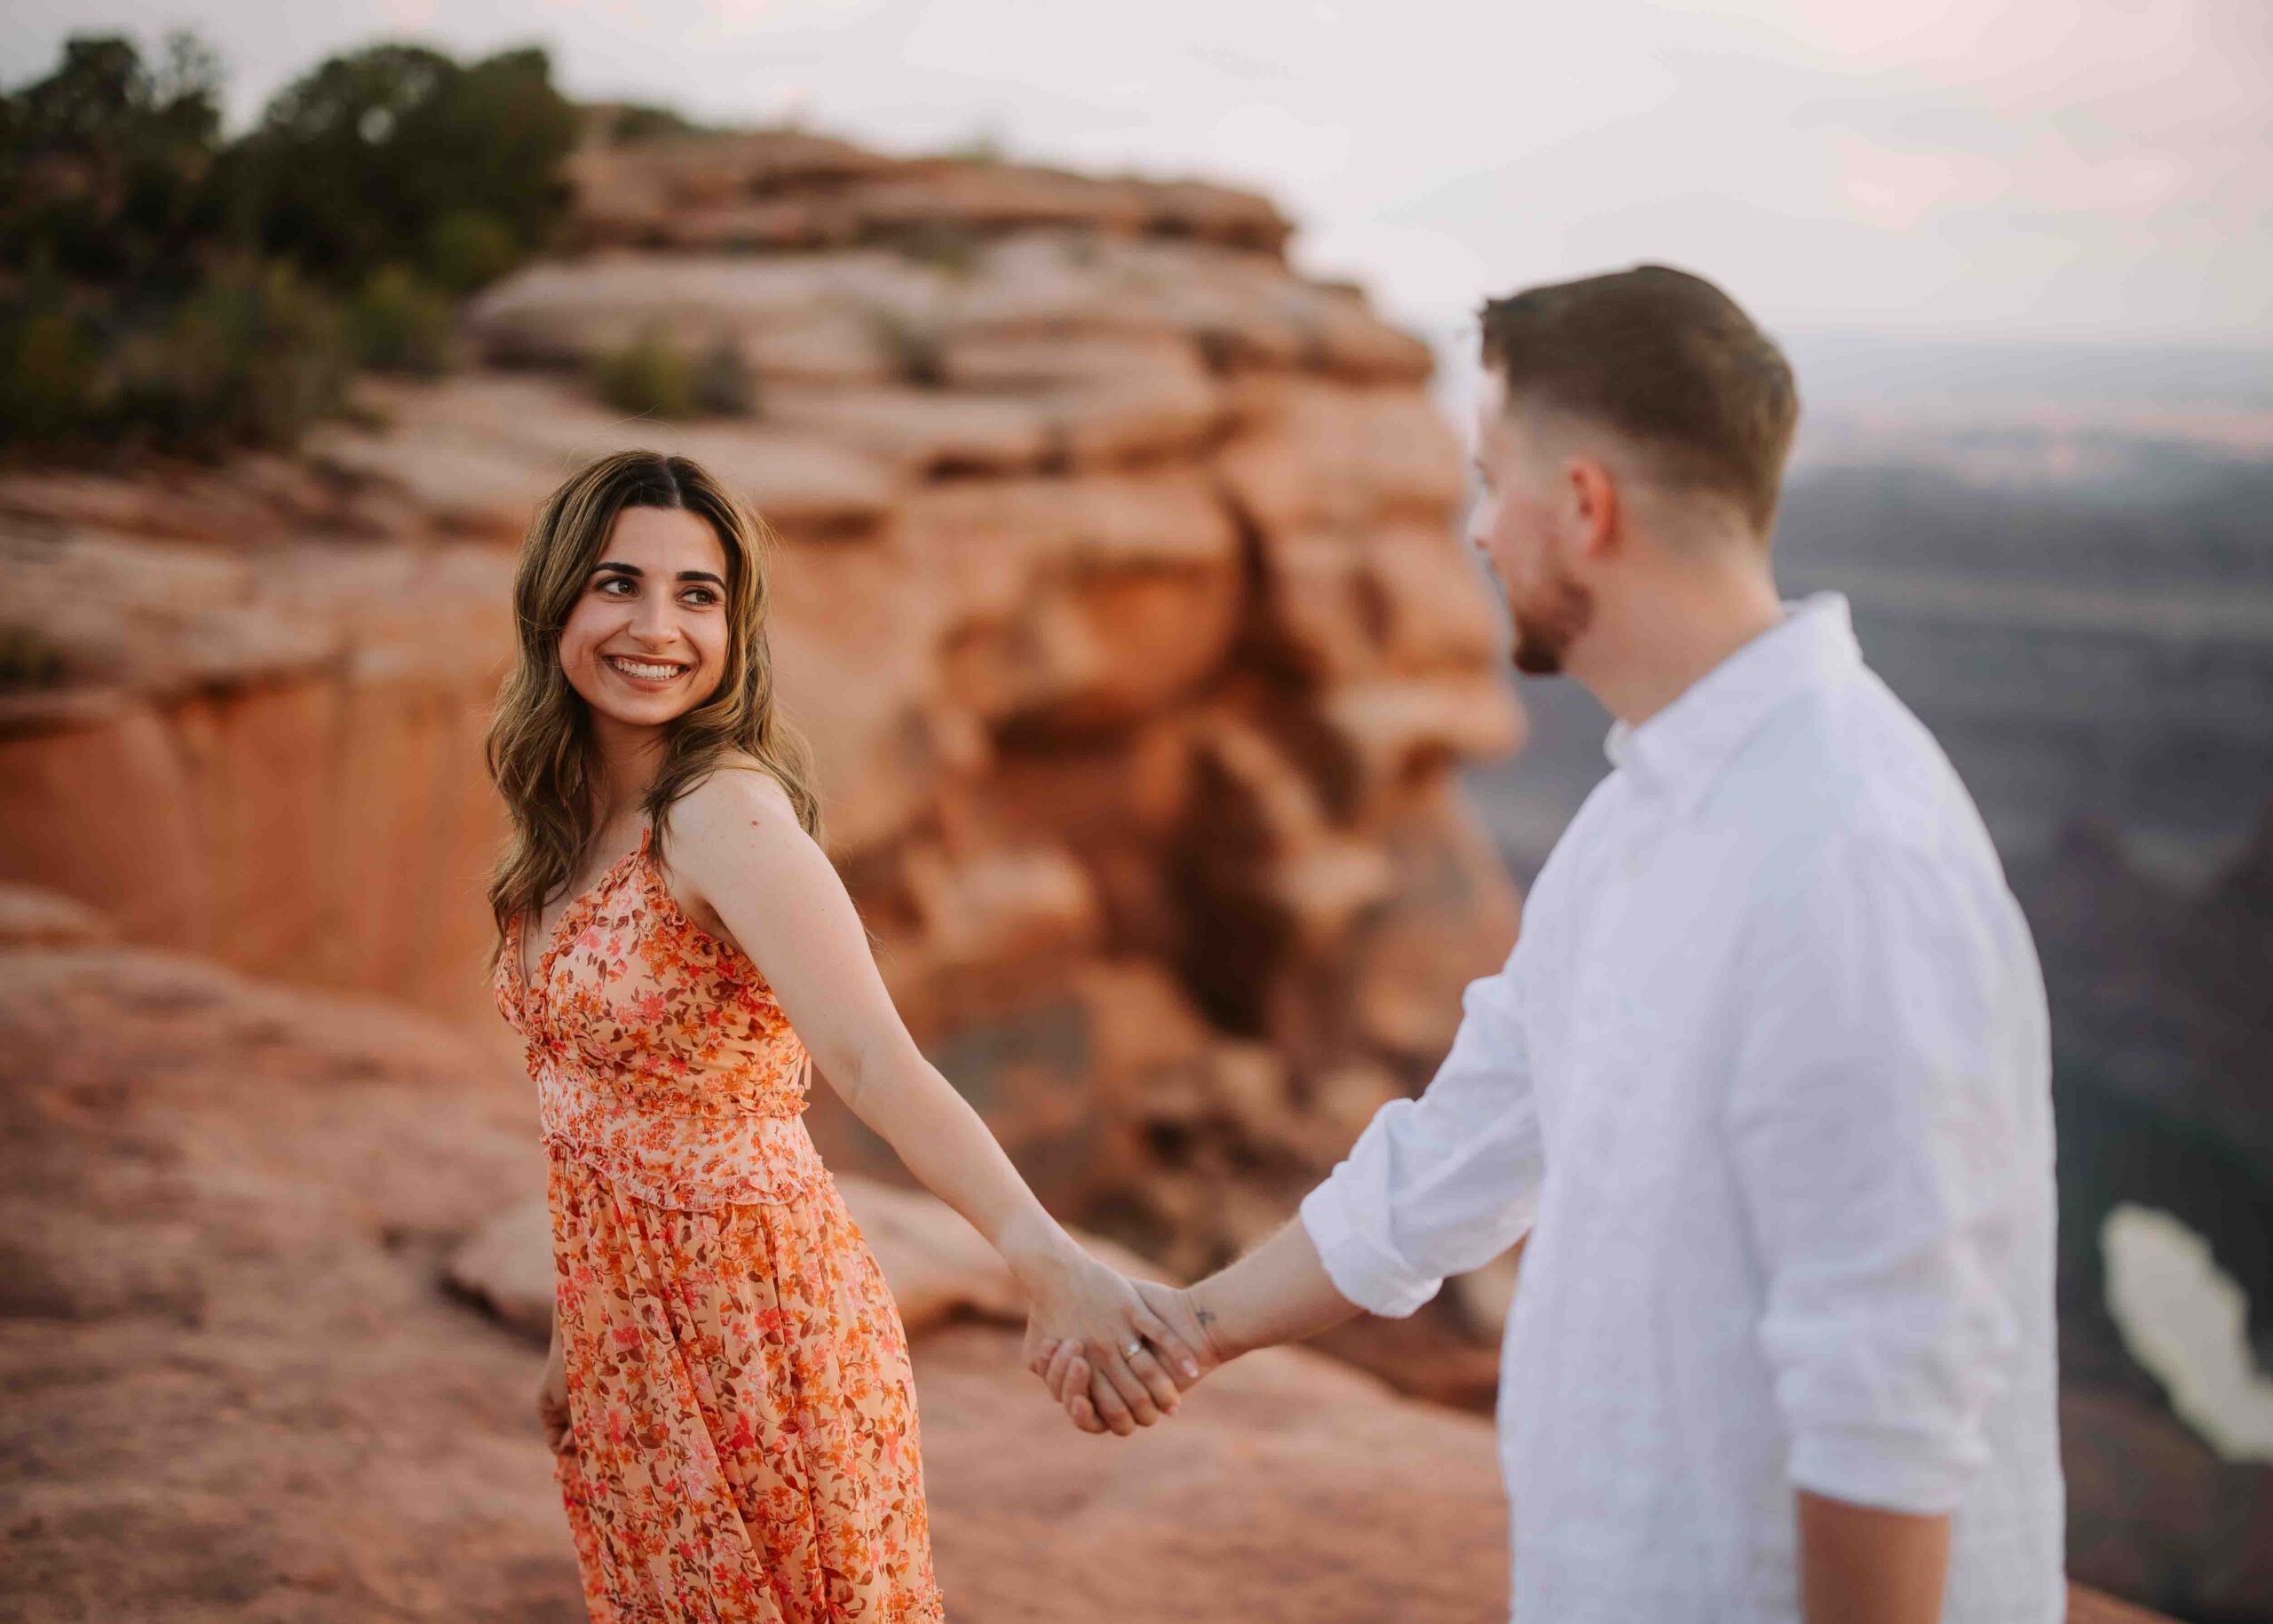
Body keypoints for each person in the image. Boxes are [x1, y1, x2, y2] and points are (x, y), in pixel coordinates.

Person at [1038, 265, 2066, 1623]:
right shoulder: (1642, 814)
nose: (1473, 528)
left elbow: (1892, 1393)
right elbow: (1460, 1148)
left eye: (1489, 479)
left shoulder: (1853, 853)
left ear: (1584, 506)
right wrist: (1196, 1325)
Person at [486, 450, 1200, 1623]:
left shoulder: (723, 812)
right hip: (634, 1342)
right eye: (618, 583)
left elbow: (875, 1060)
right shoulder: (570, 827)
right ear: (555, 597)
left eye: (697, 594)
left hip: (765, 1341)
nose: (656, 626)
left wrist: (1046, 1259)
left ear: (737, 624)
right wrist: (583, 1324)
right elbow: (592, 1107)